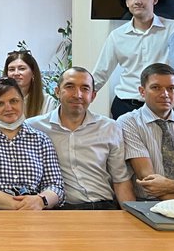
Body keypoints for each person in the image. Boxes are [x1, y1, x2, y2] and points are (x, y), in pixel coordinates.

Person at [26, 67, 136, 209]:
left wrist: (133, 217)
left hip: (103, 207)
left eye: (85, 89)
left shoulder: (109, 128)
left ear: (93, 96)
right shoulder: (34, 127)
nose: (77, 94)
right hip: (59, 209)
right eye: (70, 87)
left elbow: (120, 180)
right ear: (57, 91)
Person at [0, 77, 65, 210]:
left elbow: (55, 185)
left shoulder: (41, 139)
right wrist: (20, 206)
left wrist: (40, 201)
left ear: (22, 101)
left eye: (14, 101)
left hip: (35, 217)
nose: (8, 108)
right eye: (0, 103)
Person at [93, 0, 174, 119]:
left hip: (162, 105)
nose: (137, 1)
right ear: (127, 2)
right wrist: (82, 97)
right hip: (126, 105)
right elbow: (101, 73)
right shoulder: (117, 36)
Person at [118, 63, 174, 201]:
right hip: (146, 203)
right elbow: (148, 178)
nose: (165, 94)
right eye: (156, 88)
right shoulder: (128, 122)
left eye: (171, 88)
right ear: (142, 91)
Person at [0, 50, 57, 120]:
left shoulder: (48, 101)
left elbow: (49, 129)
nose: (16, 73)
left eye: (22, 69)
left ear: (33, 73)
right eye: (11, 69)